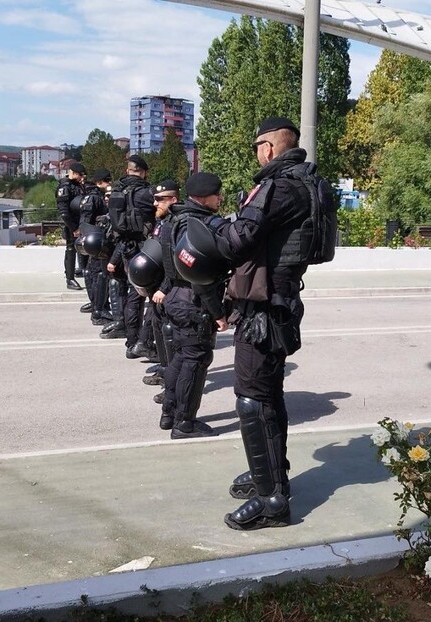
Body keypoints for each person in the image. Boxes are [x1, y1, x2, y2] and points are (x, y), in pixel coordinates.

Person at [208, 117, 317, 530]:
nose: (257, 153)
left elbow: (237, 240)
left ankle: (272, 500)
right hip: (279, 302)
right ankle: (272, 475)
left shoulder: (278, 187)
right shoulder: (306, 183)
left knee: (253, 399)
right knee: (269, 395)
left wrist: (213, 229)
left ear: (269, 148)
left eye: (258, 145)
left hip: (263, 309)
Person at [159, 173, 228, 440]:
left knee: (179, 357)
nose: (220, 198)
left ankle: (169, 413)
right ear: (202, 197)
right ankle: (184, 422)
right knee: (196, 360)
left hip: (175, 296)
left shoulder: (173, 220)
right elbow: (200, 277)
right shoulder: (200, 225)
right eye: (216, 194)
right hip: (193, 300)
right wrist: (218, 313)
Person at [100, 154, 155, 351]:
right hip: (146, 248)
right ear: (144, 172)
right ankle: (144, 342)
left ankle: (131, 341)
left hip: (124, 248)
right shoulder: (146, 193)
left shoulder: (117, 191)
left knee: (133, 294)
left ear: (127, 171)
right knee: (151, 296)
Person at [142, 179, 180, 390]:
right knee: (159, 330)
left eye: (159, 199)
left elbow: (172, 264)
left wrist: (164, 288)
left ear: (173, 200)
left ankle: (172, 384)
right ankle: (165, 370)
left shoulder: (176, 225)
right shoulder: (162, 223)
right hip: (155, 289)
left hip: (167, 290)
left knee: (170, 336)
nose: (155, 203)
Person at [81, 168, 117, 326]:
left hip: (95, 240)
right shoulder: (94, 198)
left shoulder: (90, 196)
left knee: (96, 273)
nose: (109, 184)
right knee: (99, 274)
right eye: (107, 181)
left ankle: (99, 306)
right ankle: (98, 310)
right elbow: (87, 222)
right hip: (97, 240)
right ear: (100, 182)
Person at [55, 162, 87, 291]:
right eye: (80, 175)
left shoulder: (77, 185)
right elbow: (64, 212)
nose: (82, 177)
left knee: (82, 248)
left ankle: (80, 270)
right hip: (72, 224)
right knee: (71, 249)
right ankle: (70, 278)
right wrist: (74, 228)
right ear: (72, 173)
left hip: (80, 222)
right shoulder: (65, 187)